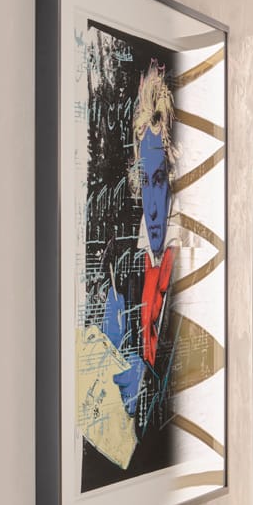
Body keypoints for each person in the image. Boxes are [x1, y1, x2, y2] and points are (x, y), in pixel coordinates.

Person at [98, 60, 178, 474]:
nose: (151, 199)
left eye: (159, 178)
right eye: (145, 181)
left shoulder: (191, 272)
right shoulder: (128, 266)